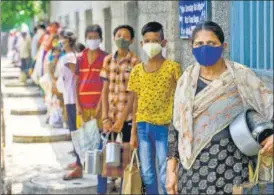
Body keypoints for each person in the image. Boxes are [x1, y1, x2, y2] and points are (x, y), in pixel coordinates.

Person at [165, 21, 273, 194]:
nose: (205, 48)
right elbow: (176, 127)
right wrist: (171, 170)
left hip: (234, 166)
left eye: (211, 43)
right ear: (191, 47)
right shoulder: (185, 82)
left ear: (223, 46)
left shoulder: (241, 77)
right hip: (192, 168)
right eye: (199, 43)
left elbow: (268, 105)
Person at [127, 21, 182, 195]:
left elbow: (182, 98)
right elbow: (135, 103)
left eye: (156, 40)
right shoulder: (136, 71)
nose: (151, 44)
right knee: (148, 173)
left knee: (165, 171)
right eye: (148, 41)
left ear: (164, 43)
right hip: (143, 127)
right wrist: (133, 134)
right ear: (142, 44)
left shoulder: (173, 68)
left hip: (165, 128)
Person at [99, 24, 140, 194]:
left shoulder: (135, 62)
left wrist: (122, 119)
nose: (121, 38)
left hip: (127, 117)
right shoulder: (108, 60)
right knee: (106, 157)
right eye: (118, 35)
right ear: (114, 37)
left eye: (125, 36)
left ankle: (125, 189)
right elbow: (105, 89)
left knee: (125, 157)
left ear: (131, 40)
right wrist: (105, 118)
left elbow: (133, 95)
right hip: (110, 117)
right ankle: (102, 190)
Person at [57, 29, 82, 180]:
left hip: (73, 100)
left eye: (63, 40)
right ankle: (78, 161)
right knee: (73, 131)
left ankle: (79, 167)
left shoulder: (69, 57)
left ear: (69, 41)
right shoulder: (69, 56)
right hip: (69, 98)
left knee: (75, 132)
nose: (60, 42)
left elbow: (77, 77)